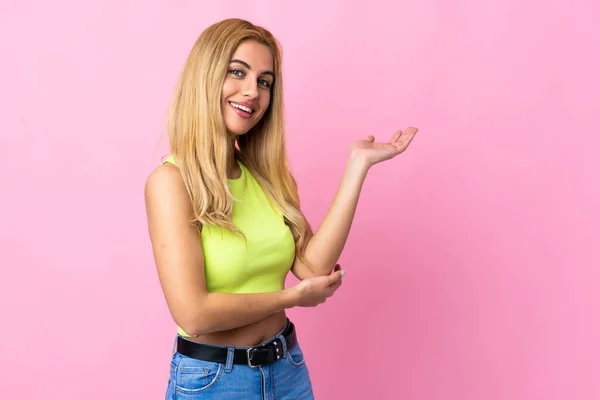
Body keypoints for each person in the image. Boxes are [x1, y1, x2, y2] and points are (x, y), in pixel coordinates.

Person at [144, 18, 418, 399]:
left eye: (264, 81)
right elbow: (192, 314)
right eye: (237, 72)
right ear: (205, 77)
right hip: (214, 381)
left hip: (287, 370)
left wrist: (357, 167)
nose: (251, 92)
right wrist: (293, 298)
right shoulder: (171, 183)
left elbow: (311, 267)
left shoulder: (264, 177)